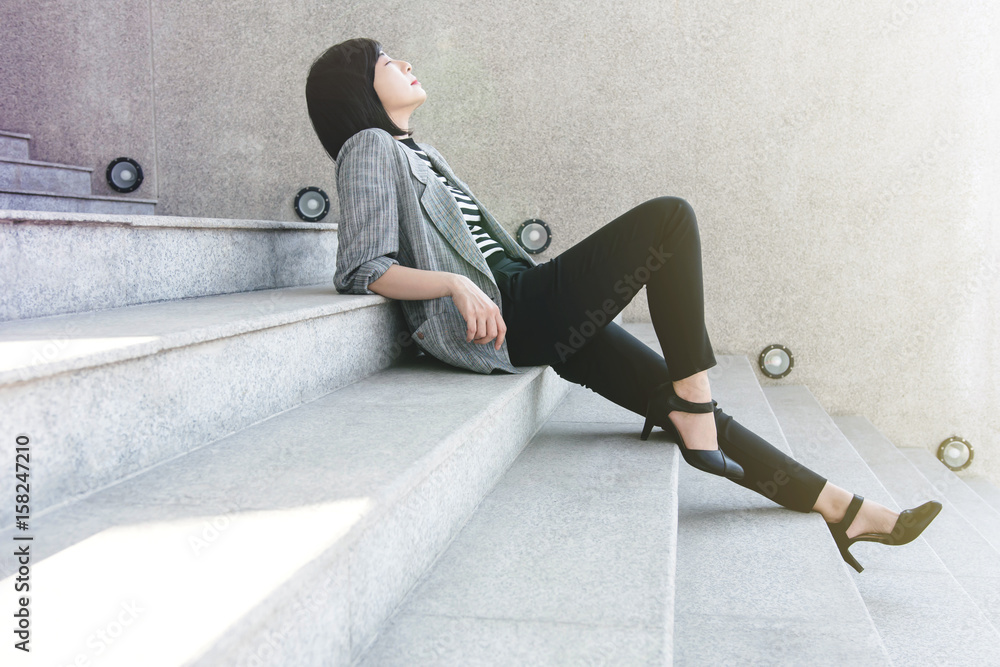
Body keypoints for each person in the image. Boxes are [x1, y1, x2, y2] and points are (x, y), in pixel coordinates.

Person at [304, 37, 942, 573]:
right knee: (670, 222)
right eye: (387, 61)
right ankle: (692, 405)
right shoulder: (370, 147)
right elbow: (363, 268)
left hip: (524, 304)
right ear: (360, 89)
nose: (406, 63)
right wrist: (452, 284)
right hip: (509, 310)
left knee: (679, 402)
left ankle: (846, 511)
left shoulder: (420, 152)